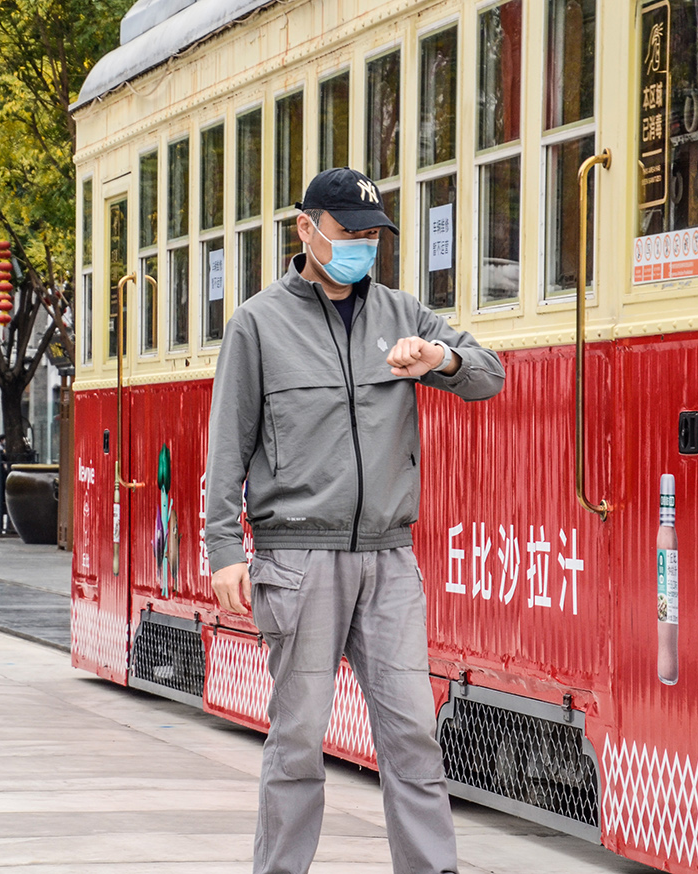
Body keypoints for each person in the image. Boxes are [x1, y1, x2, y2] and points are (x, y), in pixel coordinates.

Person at [204, 168, 505, 874]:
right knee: (298, 741)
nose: (363, 247)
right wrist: (224, 547)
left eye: (373, 235)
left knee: (413, 736)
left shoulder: (403, 316)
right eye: (350, 233)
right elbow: (228, 444)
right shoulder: (258, 323)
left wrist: (443, 357)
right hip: (296, 559)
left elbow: (490, 375)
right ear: (306, 228)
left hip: (389, 560)